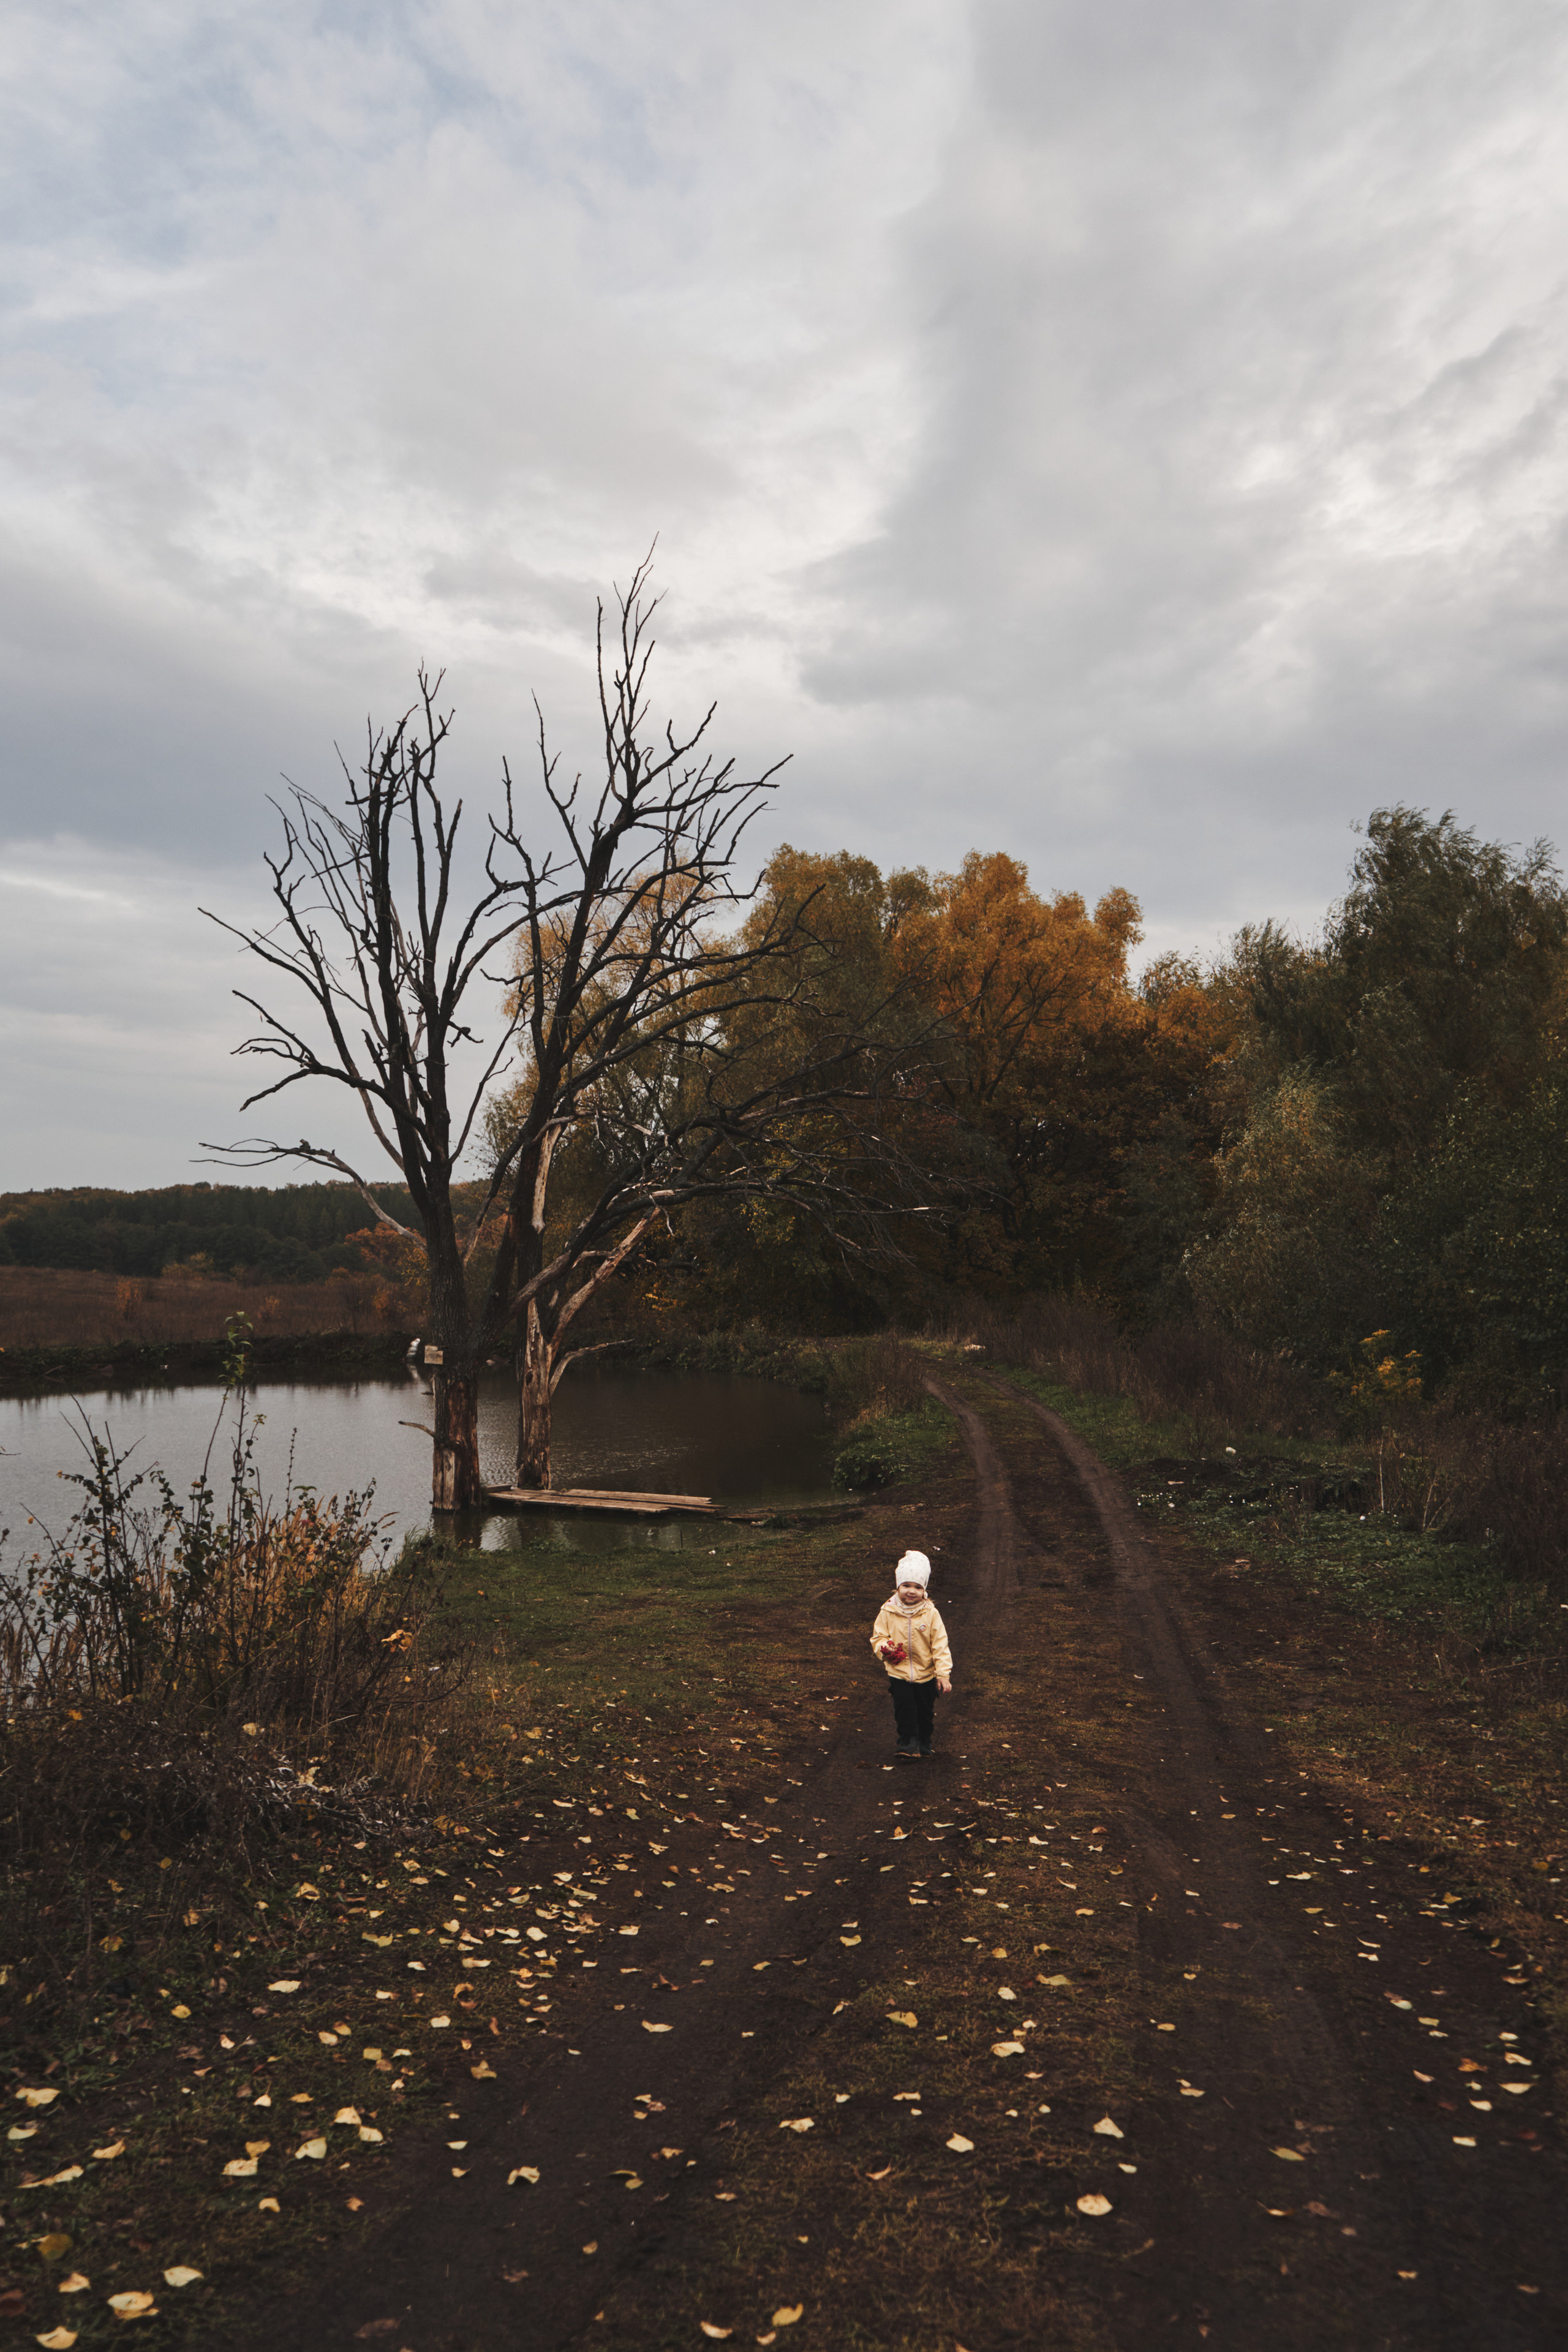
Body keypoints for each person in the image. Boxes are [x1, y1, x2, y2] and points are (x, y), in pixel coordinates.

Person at [869, 1550, 952, 1758]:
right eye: (906, 1585)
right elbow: (878, 1637)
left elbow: (940, 1644)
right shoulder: (888, 1611)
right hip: (899, 1672)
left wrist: (943, 1674)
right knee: (904, 1707)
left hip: (926, 1673)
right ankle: (907, 1742)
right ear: (898, 1587)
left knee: (924, 1710)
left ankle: (924, 1741)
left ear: (924, 1590)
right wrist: (885, 1648)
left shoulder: (930, 1613)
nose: (912, 1591)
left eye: (918, 1587)